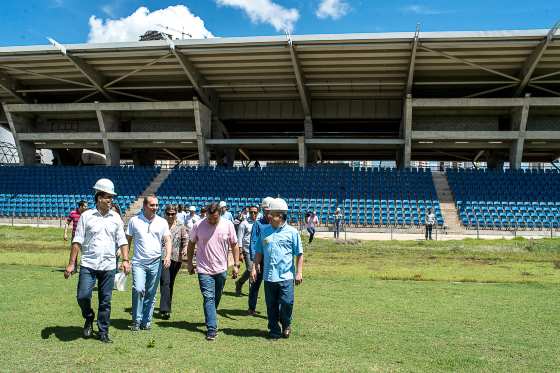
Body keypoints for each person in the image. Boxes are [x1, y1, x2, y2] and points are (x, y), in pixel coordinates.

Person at [64, 178, 130, 344]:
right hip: (88, 264)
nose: (111, 200)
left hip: (108, 265)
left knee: (105, 300)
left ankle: (103, 331)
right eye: (108, 197)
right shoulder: (86, 216)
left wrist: (126, 260)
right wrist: (72, 263)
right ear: (99, 197)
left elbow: (122, 241)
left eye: (112, 197)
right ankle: (89, 316)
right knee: (83, 296)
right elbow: (77, 241)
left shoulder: (116, 217)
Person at [183, 202, 240, 341]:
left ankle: (210, 315)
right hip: (204, 269)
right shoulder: (198, 225)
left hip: (221, 268)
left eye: (215, 218)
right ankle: (212, 329)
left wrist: (236, 264)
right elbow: (191, 245)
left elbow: (234, 244)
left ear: (220, 214)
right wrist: (190, 263)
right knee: (208, 297)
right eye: (210, 218)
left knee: (216, 297)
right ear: (206, 214)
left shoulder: (228, 225)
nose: (212, 221)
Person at [251, 198, 303, 339]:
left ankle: (286, 324)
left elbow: (299, 253)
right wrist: (254, 268)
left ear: (280, 215)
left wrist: (299, 272)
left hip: (286, 276)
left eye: (271, 213)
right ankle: (274, 330)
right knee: (271, 305)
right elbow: (259, 252)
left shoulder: (292, 232)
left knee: (287, 302)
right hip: (269, 276)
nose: (268, 215)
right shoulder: (264, 231)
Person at [126, 195, 172, 331]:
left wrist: (168, 256)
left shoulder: (162, 222)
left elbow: (168, 239)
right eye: (152, 205)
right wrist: (125, 259)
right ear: (145, 206)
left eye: (157, 205)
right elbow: (127, 239)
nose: (155, 208)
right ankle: (136, 320)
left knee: (151, 293)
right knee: (139, 289)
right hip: (139, 262)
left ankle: (146, 321)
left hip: (156, 262)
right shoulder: (134, 221)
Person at [159, 204, 188, 320]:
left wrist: (185, 248)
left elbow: (185, 238)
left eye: (173, 214)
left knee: (170, 282)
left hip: (176, 257)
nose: (170, 216)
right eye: (168, 214)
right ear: (165, 213)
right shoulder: (161, 224)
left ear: (176, 213)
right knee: (165, 281)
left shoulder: (181, 225)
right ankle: (164, 309)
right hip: (163, 256)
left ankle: (167, 306)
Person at [247, 197, 273, 315]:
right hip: (260, 259)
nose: (268, 213)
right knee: (255, 284)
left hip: (271, 260)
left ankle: (272, 311)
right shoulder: (258, 224)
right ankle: (251, 307)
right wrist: (254, 262)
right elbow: (253, 242)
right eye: (265, 210)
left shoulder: (275, 224)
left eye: (269, 210)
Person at [235, 205, 259, 297]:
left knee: (255, 269)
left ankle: (252, 291)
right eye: (251, 212)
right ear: (248, 212)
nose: (253, 214)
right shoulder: (244, 223)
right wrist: (240, 252)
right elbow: (239, 238)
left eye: (255, 212)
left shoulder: (258, 223)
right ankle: (240, 283)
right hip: (246, 249)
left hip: (257, 250)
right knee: (250, 269)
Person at [63, 200, 88, 273]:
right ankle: (73, 268)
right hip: (75, 236)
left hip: (85, 236)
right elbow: (67, 223)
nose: (87, 207)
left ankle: (85, 269)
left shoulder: (87, 214)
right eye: (85, 206)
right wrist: (65, 233)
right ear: (81, 206)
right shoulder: (73, 213)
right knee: (74, 252)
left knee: (85, 252)